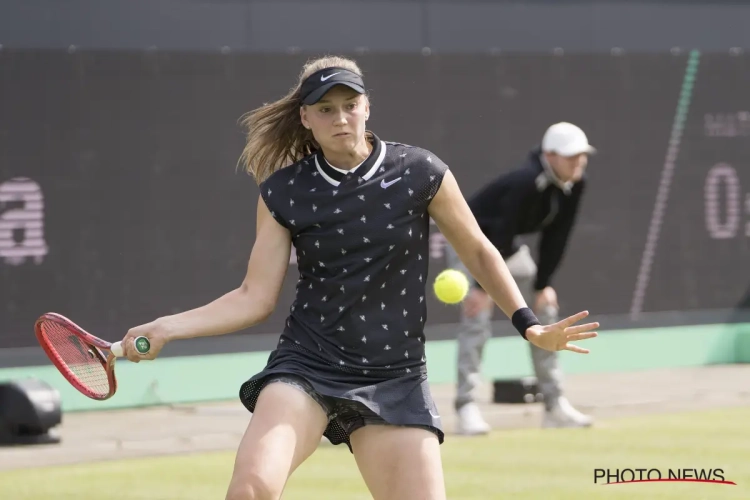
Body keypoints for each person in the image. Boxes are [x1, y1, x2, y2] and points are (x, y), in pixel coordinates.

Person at [117, 57, 599, 500]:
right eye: (325, 109)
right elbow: (253, 297)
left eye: (350, 106)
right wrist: (167, 327)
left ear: (368, 107)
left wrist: (528, 324)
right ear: (305, 118)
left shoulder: (420, 172)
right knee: (250, 491)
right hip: (307, 366)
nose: (341, 118)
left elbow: (478, 250)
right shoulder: (284, 192)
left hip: (395, 374)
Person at [445, 122, 596, 435]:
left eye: (582, 157)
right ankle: (466, 406)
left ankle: (555, 405)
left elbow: (558, 236)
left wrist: (543, 284)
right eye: (571, 157)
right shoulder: (526, 182)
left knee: (548, 313)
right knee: (478, 316)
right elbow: (498, 229)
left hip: (506, 247)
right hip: (467, 241)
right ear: (550, 155)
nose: (578, 163)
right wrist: (479, 287)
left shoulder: (575, 185)